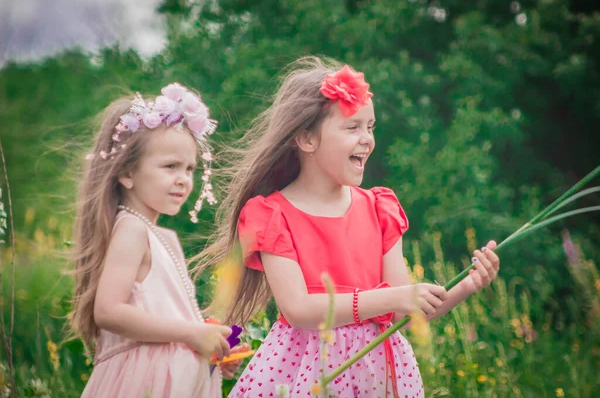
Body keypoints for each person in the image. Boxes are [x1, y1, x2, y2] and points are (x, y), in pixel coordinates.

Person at [194, 57, 500, 397]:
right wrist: (395, 296)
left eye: (370, 127)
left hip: (378, 376)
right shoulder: (272, 215)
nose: (367, 139)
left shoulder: (379, 208)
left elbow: (406, 310)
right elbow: (298, 310)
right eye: (352, 128)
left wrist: (467, 285)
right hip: (307, 374)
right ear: (307, 140)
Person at [70, 83, 243, 397]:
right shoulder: (131, 229)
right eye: (170, 166)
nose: (183, 179)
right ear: (127, 174)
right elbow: (108, 311)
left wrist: (209, 345)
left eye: (190, 168)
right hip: (140, 382)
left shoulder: (162, 237)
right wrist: (192, 333)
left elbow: (164, 320)